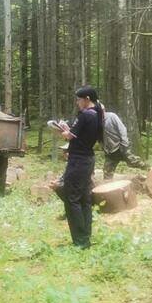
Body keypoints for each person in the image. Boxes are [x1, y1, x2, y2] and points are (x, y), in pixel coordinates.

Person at [58, 86, 104, 249]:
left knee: (72, 199)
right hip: (88, 159)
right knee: (84, 198)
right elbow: (81, 135)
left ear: (86, 99)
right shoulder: (97, 114)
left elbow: (70, 136)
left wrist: (63, 130)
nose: (77, 103)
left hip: (78, 160)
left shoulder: (85, 115)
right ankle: (85, 237)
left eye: (78, 99)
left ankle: (80, 241)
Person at [100, 104, 147, 179]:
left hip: (120, 146)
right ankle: (108, 188)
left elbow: (122, 129)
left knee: (133, 161)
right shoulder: (96, 121)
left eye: (100, 110)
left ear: (103, 110)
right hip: (110, 151)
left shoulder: (112, 116)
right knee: (107, 171)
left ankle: (151, 170)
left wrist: (124, 143)